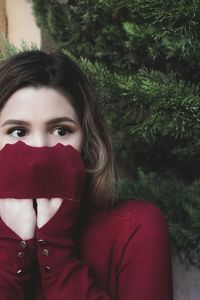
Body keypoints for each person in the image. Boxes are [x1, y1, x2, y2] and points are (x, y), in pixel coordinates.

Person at [0, 50, 173, 300]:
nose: (40, 149)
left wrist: (57, 252)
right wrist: (11, 251)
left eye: (60, 130)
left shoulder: (136, 226)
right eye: (18, 131)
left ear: (87, 140)